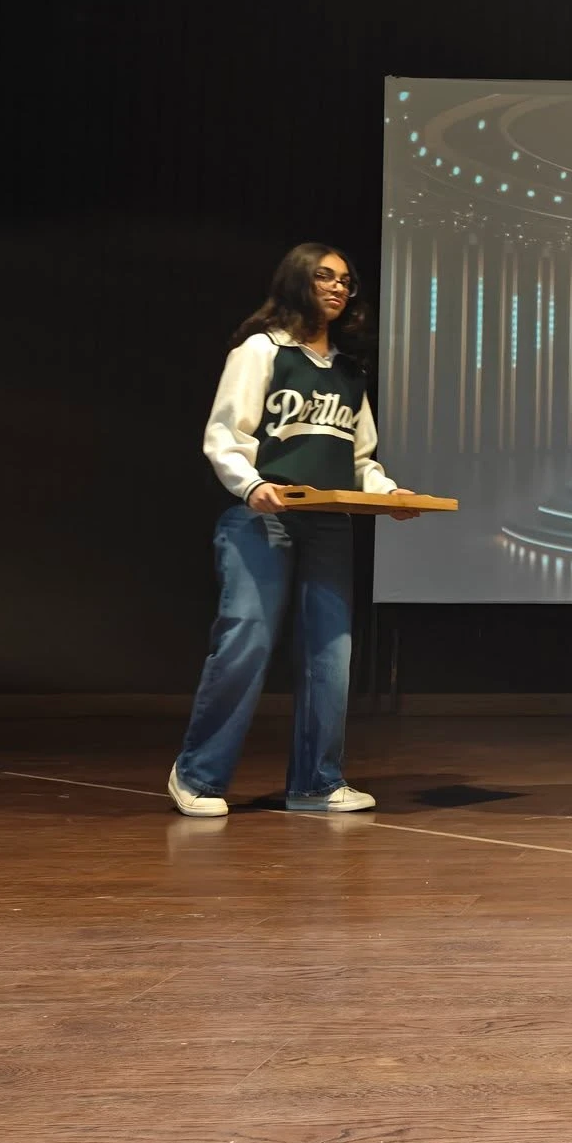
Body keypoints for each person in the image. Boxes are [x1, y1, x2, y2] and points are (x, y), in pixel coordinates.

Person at [167, 243, 420, 818]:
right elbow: (225, 433)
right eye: (324, 276)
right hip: (264, 516)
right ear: (296, 282)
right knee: (247, 639)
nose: (337, 288)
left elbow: (360, 459)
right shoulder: (262, 351)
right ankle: (198, 775)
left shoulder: (350, 371)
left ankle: (316, 783)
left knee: (330, 652)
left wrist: (388, 495)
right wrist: (249, 483)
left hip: (328, 524)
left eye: (345, 281)